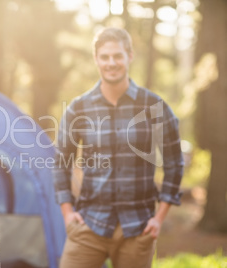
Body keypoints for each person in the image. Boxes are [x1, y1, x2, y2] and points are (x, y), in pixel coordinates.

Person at [53, 27, 184, 268]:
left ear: (129, 56)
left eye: (117, 56)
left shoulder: (155, 106)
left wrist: (159, 218)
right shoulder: (78, 108)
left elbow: (175, 164)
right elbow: (61, 163)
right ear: (96, 59)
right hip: (88, 225)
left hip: (137, 228)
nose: (111, 63)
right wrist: (68, 214)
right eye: (104, 57)